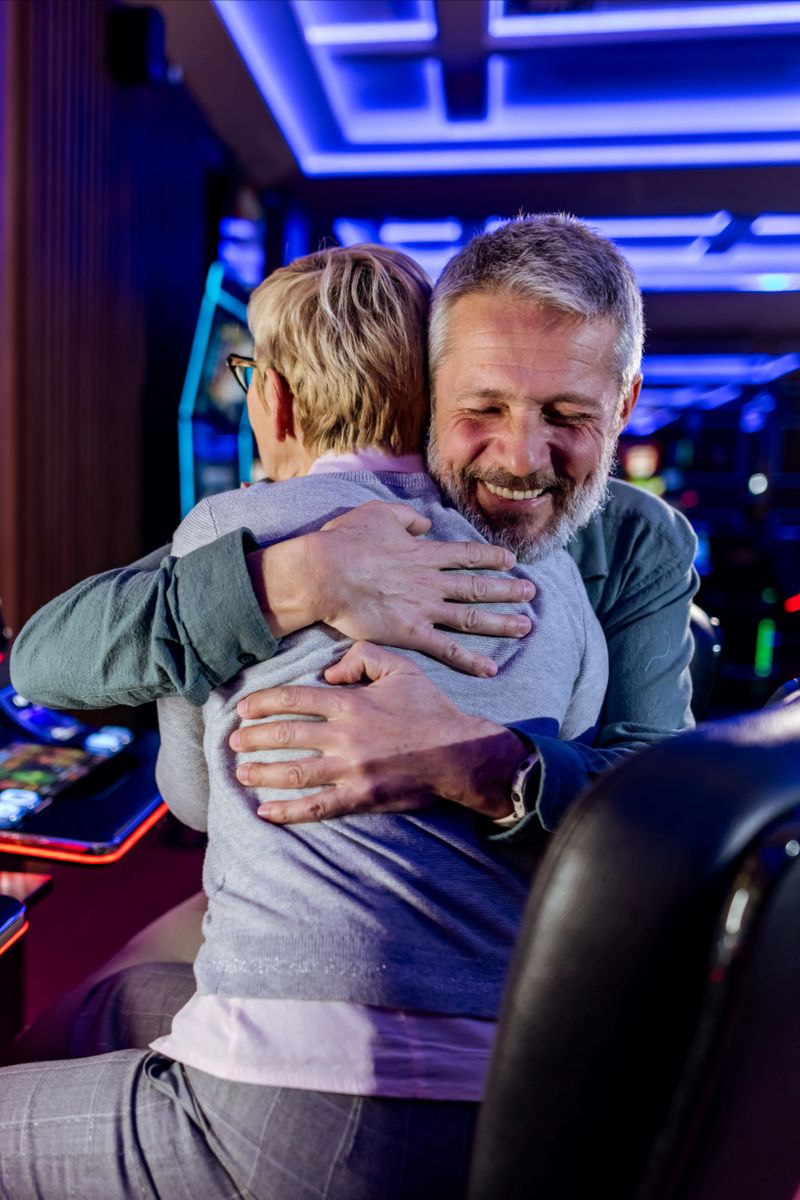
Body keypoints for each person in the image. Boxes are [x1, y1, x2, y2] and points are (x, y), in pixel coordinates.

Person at [0, 239, 610, 1198]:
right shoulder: (555, 567)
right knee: (113, 1003)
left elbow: (195, 800)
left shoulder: (232, 527)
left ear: (273, 397)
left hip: (297, 1100)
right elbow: (574, 752)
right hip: (507, 1101)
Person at [11, 215, 698, 839]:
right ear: (430, 389)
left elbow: (666, 806)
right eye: (482, 407)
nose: (519, 459)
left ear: (624, 403)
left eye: (566, 415)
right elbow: (48, 661)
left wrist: (480, 763)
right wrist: (298, 577)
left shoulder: (642, 542)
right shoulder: (329, 513)